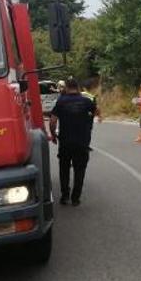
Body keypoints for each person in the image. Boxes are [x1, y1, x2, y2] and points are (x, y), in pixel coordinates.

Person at [49, 78, 96, 206]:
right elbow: (96, 112)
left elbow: (52, 121)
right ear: (78, 87)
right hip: (82, 143)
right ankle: (75, 198)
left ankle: (64, 196)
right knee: (79, 170)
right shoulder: (86, 101)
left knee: (64, 169)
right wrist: (88, 121)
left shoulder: (61, 101)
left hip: (65, 142)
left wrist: (53, 135)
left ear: (66, 88)